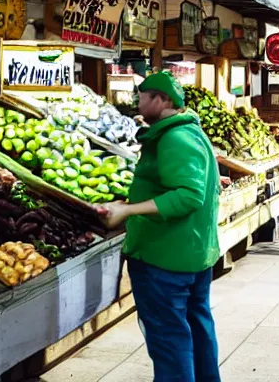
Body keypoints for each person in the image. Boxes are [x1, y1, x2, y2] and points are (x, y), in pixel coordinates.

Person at [98, 71, 221, 382]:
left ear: (162, 100)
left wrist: (127, 210)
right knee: (197, 330)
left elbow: (188, 195)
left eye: (143, 96)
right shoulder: (188, 131)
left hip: (165, 259)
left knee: (169, 341)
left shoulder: (174, 138)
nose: (137, 102)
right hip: (192, 254)